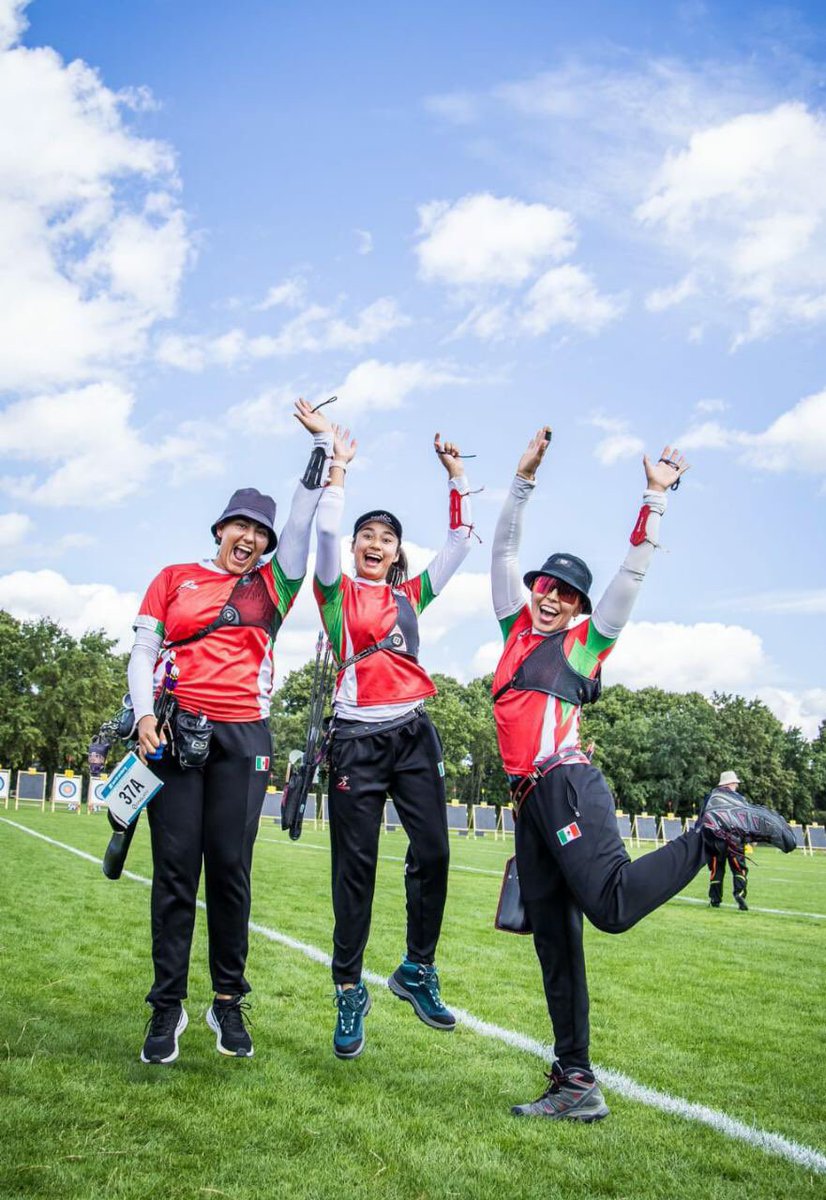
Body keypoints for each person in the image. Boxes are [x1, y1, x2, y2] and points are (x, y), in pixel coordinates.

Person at [490, 427, 796, 1122]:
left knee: (613, 906)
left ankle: (714, 827)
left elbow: (629, 577)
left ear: (578, 608)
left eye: (567, 594)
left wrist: (655, 498)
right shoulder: (513, 632)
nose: (551, 598)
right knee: (554, 944)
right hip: (529, 804)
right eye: (546, 586)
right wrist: (522, 479)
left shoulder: (583, 646)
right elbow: (503, 549)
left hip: (565, 784)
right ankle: (575, 1083)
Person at [127, 399, 335, 1065]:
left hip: (244, 739)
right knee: (174, 872)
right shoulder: (174, 578)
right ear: (219, 528)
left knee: (230, 872)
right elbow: (142, 652)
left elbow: (302, 517)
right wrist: (145, 715)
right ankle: (167, 1006)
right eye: (239, 525)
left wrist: (322, 447)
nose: (249, 537)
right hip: (175, 732)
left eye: (260, 532)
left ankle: (227, 1001)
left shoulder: (275, 586)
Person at [313, 426, 474, 1059]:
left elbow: (461, 542)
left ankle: (417, 968)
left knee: (434, 852)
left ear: (397, 552)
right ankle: (349, 989)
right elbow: (326, 530)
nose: (376, 543)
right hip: (355, 740)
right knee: (354, 872)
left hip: (413, 733)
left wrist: (456, 477)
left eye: (387, 538)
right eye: (367, 535)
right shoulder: (335, 592)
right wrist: (338, 468)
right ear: (354, 548)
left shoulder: (411, 595)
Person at [703, 770, 750, 910]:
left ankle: (715, 899)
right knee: (739, 869)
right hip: (734, 840)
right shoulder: (740, 799)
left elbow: (704, 818)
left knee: (716, 869)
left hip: (715, 840)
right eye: (735, 783)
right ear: (730, 783)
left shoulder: (710, 798)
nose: (737, 785)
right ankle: (739, 894)